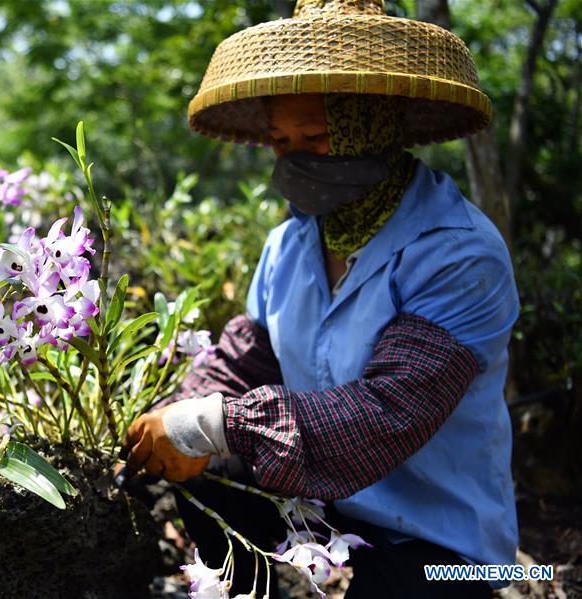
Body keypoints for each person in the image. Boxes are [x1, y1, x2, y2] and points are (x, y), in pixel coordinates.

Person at [121, 1, 518, 597]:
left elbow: (387, 411)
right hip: (319, 498)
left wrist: (213, 423)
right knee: (206, 473)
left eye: (316, 135)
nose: (294, 158)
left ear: (374, 126)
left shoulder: (459, 254)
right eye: (281, 140)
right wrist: (182, 414)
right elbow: (245, 359)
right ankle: (250, 587)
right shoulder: (290, 244)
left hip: (438, 535)